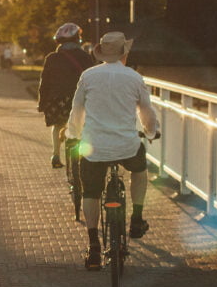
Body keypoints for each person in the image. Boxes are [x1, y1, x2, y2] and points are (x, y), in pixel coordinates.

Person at [66, 32, 160, 271]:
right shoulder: (134, 77)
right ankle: (137, 219)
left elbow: (77, 110)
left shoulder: (88, 76)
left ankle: (94, 245)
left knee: (91, 192)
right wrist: (151, 132)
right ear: (124, 54)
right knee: (139, 170)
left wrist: (73, 135)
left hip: (94, 146)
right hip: (126, 145)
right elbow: (146, 112)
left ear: (101, 53)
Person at [37, 23, 96, 168]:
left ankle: (56, 154)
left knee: (58, 125)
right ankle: (83, 156)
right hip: (80, 100)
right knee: (82, 125)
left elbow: (44, 82)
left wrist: (42, 103)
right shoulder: (86, 57)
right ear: (78, 40)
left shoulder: (52, 58)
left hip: (57, 100)